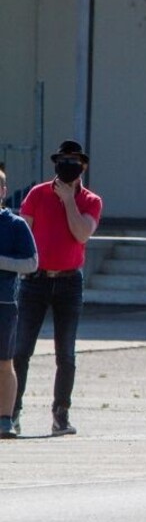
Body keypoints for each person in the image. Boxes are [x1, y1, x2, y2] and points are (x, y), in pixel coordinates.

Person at [13, 139, 102, 437]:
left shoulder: (91, 200)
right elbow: (23, 233)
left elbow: (81, 234)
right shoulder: (37, 194)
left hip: (68, 282)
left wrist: (68, 201)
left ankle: (61, 414)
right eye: (63, 160)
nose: (68, 166)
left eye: (74, 161)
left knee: (66, 354)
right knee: (21, 350)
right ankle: (11, 411)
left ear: (83, 167)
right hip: (34, 282)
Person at [0, 170, 38, 438]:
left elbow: (31, 263)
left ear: (3, 191)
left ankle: (5, 418)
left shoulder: (15, 225)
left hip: (4, 304)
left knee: (4, 362)